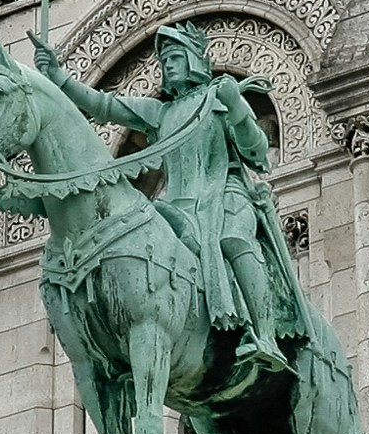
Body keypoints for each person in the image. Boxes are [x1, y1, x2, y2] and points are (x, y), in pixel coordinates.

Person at [35, 22, 302, 373]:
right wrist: (58, 77)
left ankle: (266, 336)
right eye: (164, 60)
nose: (168, 66)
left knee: (234, 238)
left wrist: (235, 106)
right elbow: (104, 106)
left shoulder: (218, 99)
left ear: (193, 60)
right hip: (178, 207)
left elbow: (256, 151)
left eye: (175, 57)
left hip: (226, 194)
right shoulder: (160, 113)